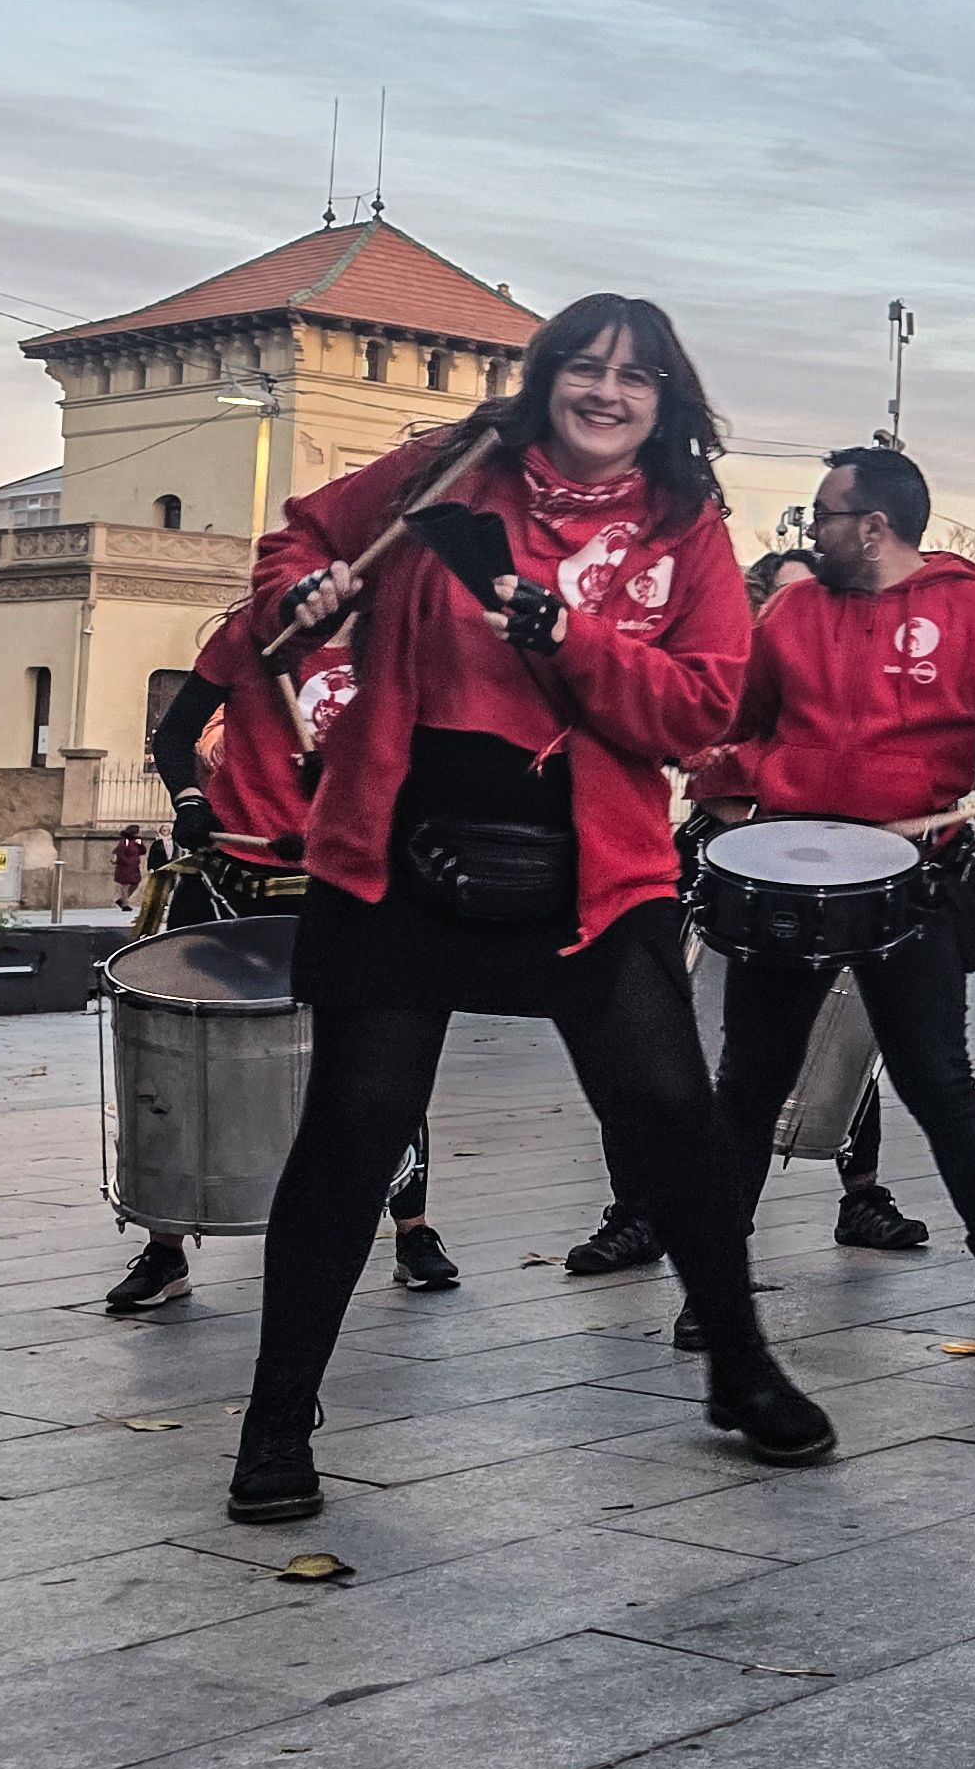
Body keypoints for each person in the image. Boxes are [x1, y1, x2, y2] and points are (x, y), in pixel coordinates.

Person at [222, 297, 830, 1522]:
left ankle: (741, 1363)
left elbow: (700, 710)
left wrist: (569, 637)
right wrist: (314, 596)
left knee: (671, 1114)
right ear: (548, 376)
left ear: (667, 401)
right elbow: (292, 548)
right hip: (394, 850)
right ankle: (277, 1422)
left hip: (589, 862)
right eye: (587, 367)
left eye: (638, 376)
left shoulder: (687, 528)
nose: (607, 391)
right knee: (352, 1131)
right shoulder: (451, 469)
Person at [696, 445, 975, 1336]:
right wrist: (725, 774)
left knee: (938, 1081)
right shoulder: (795, 611)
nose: (812, 529)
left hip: (912, 881)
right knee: (751, 1084)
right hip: (793, 881)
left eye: (824, 515)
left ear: (872, 525)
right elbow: (739, 721)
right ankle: (715, 1292)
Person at [105, 614, 469, 1314]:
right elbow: (177, 732)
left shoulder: (405, 632)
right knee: (178, 1061)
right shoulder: (250, 636)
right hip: (232, 874)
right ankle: (165, 1248)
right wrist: (189, 800)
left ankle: (413, 1229)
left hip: (351, 877)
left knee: (384, 1054)